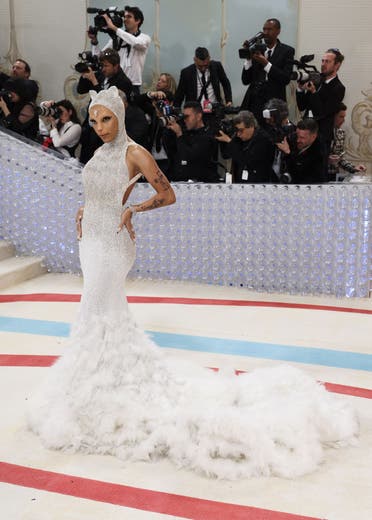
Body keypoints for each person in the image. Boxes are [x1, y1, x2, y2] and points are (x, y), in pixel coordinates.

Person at [28, 86, 358, 480]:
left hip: (113, 245)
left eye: (107, 119)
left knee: (94, 308)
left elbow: (167, 194)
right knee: (102, 310)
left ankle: (97, 381)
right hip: (90, 239)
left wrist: (134, 208)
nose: (100, 127)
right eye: (95, 119)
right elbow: (98, 192)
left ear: (120, 117)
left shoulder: (135, 152)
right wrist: (87, 207)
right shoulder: (98, 153)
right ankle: (102, 376)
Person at [77, 48, 132, 163]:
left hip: (105, 132)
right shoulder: (101, 75)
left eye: (106, 66)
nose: (103, 69)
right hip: (91, 125)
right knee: (84, 161)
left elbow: (108, 104)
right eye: (102, 65)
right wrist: (84, 75)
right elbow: (81, 90)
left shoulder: (124, 82)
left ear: (116, 66)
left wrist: (94, 82)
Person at [240, 18, 295, 123]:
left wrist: (265, 63)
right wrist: (248, 59)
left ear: (278, 31)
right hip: (254, 101)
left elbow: (285, 78)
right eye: (264, 29)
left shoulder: (287, 51)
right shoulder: (257, 50)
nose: (265, 33)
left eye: (269, 29)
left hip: (274, 102)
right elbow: (245, 80)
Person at [89, 5, 151, 94]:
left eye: (129, 17)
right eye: (124, 17)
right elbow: (100, 56)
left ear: (138, 20)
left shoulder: (145, 38)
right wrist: (94, 41)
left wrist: (114, 28)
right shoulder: (117, 38)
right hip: (116, 84)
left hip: (133, 85)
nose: (125, 19)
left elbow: (136, 43)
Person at [296, 48, 345, 154]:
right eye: (322, 61)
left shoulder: (339, 88)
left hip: (321, 136)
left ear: (337, 65)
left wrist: (313, 92)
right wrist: (300, 89)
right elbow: (302, 106)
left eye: (327, 61)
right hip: (304, 134)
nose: (323, 64)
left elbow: (322, 112)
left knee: (318, 169)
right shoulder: (316, 79)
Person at [167, 100, 220, 182]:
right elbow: (171, 151)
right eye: (184, 117)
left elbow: (191, 156)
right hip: (181, 182)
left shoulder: (208, 135)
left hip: (202, 185)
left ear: (199, 116)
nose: (185, 120)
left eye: (187, 116)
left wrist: (179, 135)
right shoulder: (185, 132)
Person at [216, 110, 275, 183]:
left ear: (251, 126)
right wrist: (223, 141)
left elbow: (247, 160)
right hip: (240, 182)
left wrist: (229, 141)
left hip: (258, 183)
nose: (238, 134)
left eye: (241, 130)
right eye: (236, 130)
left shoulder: (264, 139)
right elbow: (226, 155)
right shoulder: (239, 137)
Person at [276, 118, 326, 184]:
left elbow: (298, 176)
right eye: (297, 136)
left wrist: (288, 153)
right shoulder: (293, 138)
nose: (298, 140)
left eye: (302, 138)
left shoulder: (318, 152)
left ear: (313, 137)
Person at [328, 102, 366, 181]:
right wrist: (326, 160)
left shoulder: (341, 133)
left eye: (344, 117)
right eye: (341, 117)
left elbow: (340, 158)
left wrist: (353, 168)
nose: (343, 120)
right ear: (333, 116)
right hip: (317, 175)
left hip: (333, 176)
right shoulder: (319, 132)